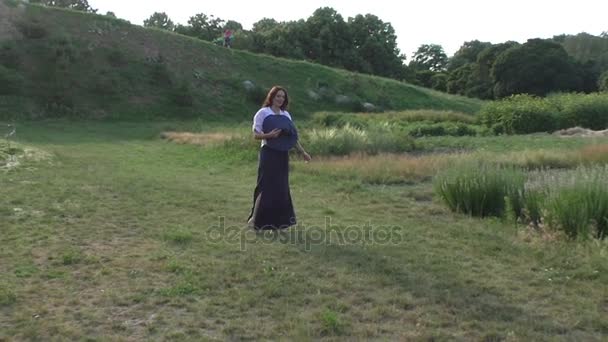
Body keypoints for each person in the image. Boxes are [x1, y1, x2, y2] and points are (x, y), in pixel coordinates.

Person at [247, 86, 311, 230]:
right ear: (272, 97)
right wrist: (269, 135)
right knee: (264, 185)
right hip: (268, 152)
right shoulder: (263, 113)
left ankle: (279, 222)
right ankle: (254, 219)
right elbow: (256, 135)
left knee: (281, 187)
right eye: (278, 96)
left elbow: (292, 138)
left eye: (283, 97)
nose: (280, 99)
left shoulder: (286, 115)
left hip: (282, 154)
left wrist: (303, 153)